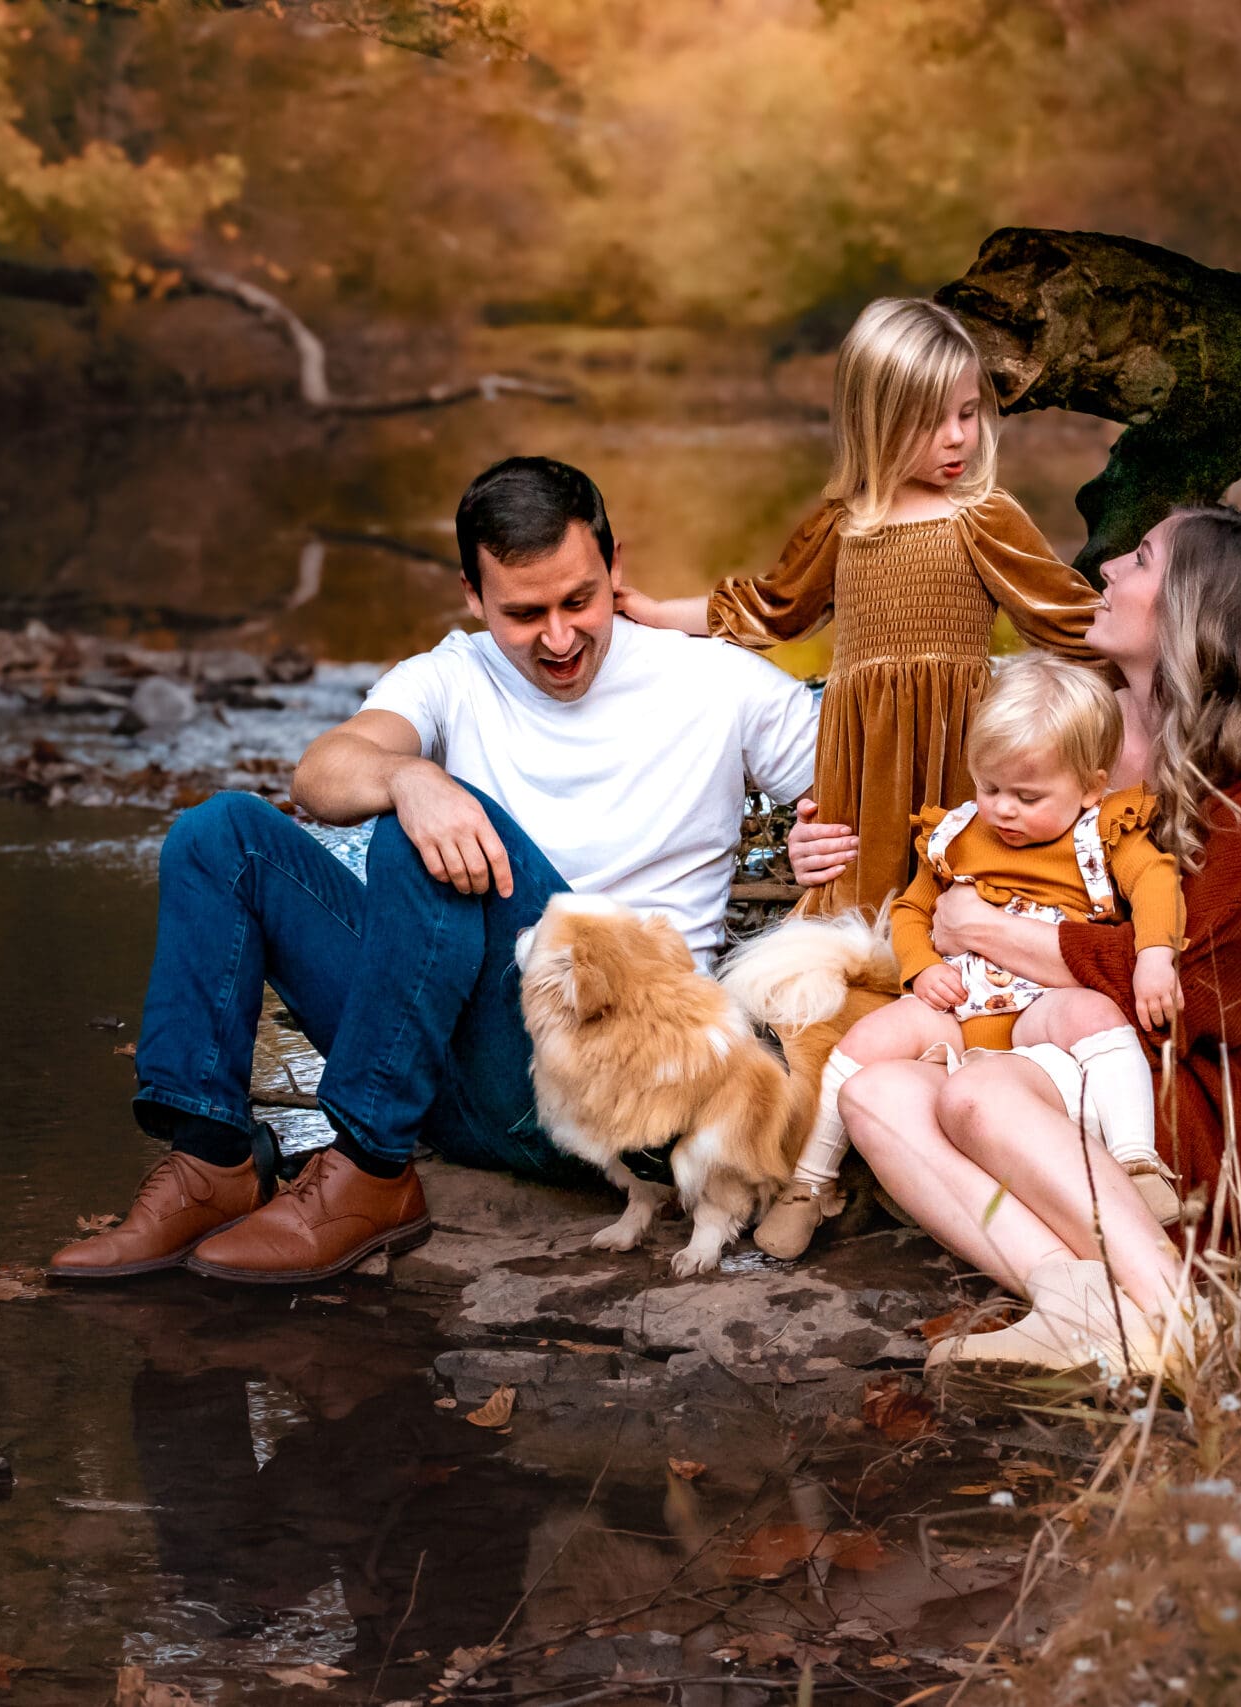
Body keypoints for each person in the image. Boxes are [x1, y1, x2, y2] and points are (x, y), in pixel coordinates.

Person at [50, 456, 827, 1286]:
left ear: (616, 565)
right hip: (451, 1070)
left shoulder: (714, 681)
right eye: (524, 614)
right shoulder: (455, 673)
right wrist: (408, 776)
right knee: (220, 835)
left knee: (439, 835)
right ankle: (211, 1162)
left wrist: (817, 842)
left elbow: (885, 802)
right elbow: (320, 773)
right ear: (472, 593)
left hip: (623, 1089)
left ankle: (370, 1172)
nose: (559, 638)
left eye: (579, 600)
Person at [831, 505, 1241, 1375]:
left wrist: (989, 929)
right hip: (1024, 1031)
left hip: (1165, 1074)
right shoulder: (1064, 725)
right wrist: (818, 832)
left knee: (974, 1099)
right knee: (873, 1095)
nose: (1105, 568)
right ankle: (1081, 1304)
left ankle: (1180, 1326)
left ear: (1188, 612)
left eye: (1139, 557)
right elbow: (955, 836)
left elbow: (1188, 984)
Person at [619, 296, 1100, 920]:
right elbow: (773, 609)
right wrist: (658, 613)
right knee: (856, 912)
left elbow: (1066, 617)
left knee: (958, 899)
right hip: (864, 756)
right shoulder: (843, 526)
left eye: (969, 413)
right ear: (876, 419)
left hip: (955, 743)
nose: (957, 437)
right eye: (931, 421)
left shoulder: (984, 517)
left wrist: (1160, 667)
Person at [750, 653, 1186, 1260]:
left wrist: (1155, 955)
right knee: (868, 1040)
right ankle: (809, 1184)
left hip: (1044, 1012)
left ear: (1090, 786)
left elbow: (1157, 882)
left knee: (1091, 1014)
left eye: (1028, 795)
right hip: (962, 1005)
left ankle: (1138, 1162)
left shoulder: (1105, 830)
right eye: (990, 787)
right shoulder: (959, 833)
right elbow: (910, 910)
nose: (1004, 808)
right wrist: (922, 966)